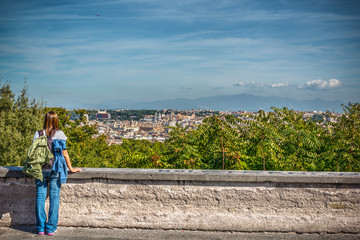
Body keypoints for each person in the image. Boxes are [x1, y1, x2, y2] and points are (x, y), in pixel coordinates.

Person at [33, 111, 82, 236]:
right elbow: (65, 153)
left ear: (45, 120)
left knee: (40, 198)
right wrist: (71, 168)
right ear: (56, 121)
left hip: (40, 170)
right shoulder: (60, 134)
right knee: (54, 199)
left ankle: (40, 228)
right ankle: (50, 229)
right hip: (55, 169)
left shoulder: (38, 134)